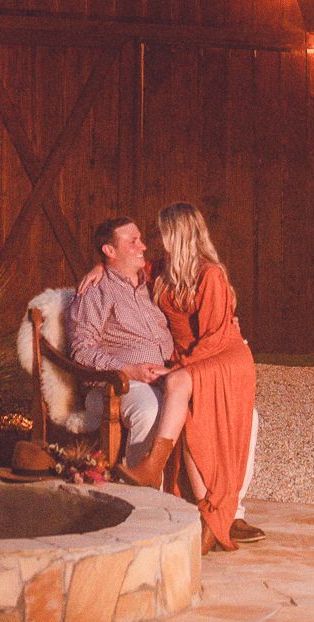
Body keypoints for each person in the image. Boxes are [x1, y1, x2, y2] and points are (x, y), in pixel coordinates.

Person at [153, 202, 261, 551]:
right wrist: (97, 266)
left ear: (178, 235)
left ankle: (153, 466)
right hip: (193, 358)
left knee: (178, 383)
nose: (157, 239)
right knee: (189, 420)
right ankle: (208, 513)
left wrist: (179, 365)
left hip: (222, 355)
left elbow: (215, 336)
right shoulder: (160, 271)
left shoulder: (210, 274)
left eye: (162, 232)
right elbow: (123, 268)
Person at [62, 217, 192, 492]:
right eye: (132, 242)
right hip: (116, 385)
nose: (142, 246)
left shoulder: (153, 283)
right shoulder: (96, 290)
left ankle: (201, 500)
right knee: (151, 409)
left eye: (140, 239)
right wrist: (128, 370)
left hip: (168, 376)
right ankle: (142, 498)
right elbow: (81, 351)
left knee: (214, 405)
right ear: (109, 251)